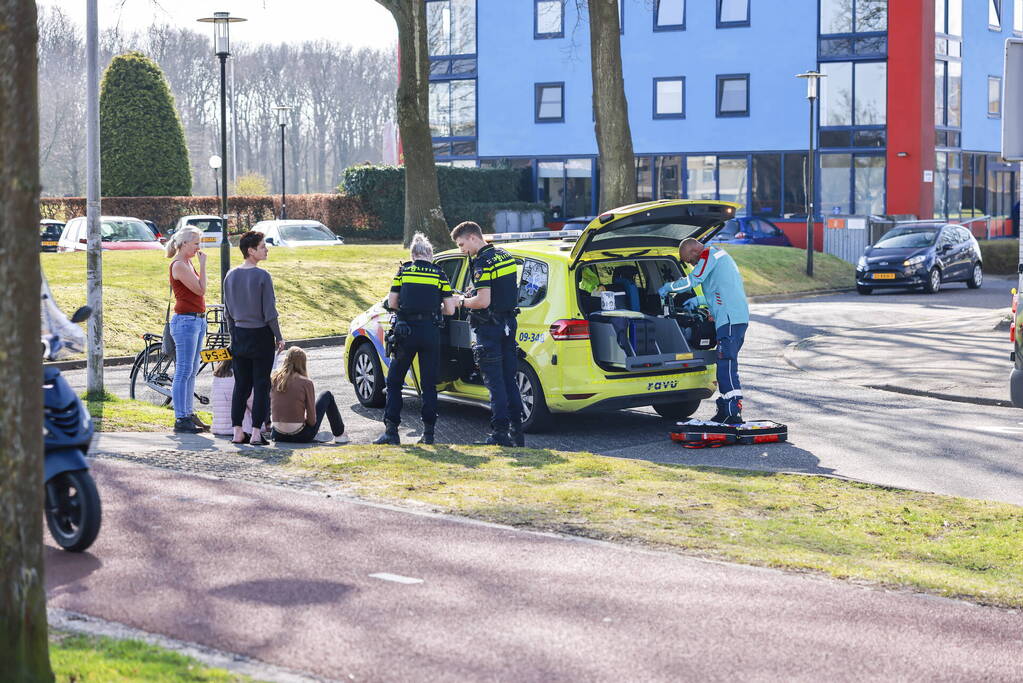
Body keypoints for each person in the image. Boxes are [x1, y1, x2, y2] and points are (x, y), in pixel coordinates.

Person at [373, 232, 457, 446]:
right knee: (429, 384)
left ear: (413, 255)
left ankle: (391, 432)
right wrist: (434, 309)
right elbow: (450, 310)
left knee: (394, 382)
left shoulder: (403, 272)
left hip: (406, 333)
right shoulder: (439, 274)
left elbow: (392, 302)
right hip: (430, 332)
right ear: (429, 254)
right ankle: (428, 434)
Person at [659, 237, 750, 425]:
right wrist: (698, 301)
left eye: (689, 261)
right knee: (725, 364)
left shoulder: (709, 254)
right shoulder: (719, 257)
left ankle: (732, 411)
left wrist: (669, 288)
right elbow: (720, 290)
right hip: (734, 318)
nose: (692, 264)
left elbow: (693, 280)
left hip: (729, 319)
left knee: (726, 364)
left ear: (694, 252)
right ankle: (726, 408)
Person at [451, 221, 524, 447]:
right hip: (509, 323)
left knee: (495, 382)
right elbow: (503, 290)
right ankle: (517, 433)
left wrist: (460, 300)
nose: (462, 250)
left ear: (473, 237)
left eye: (462, 244)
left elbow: (483, 301)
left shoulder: (482, 262)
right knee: (510, 380)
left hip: (490, 328)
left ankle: (500, 434)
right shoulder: (505, 256)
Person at [223, 231, 285, 446]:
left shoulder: (230, 276)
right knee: (261, 386)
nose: (266, 249)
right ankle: (257, 433)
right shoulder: (262, 276)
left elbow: (227, 313)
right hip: (261, 335)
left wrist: (233, 336)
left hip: (239, 334)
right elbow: (270, 312)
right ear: (251, 250)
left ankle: (237, 431)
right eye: (262, 246)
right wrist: (279, 337)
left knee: (241, 386)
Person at [166, 226, 208, 434]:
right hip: (185, 321)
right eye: (196, 243)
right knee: (183, 370)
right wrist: (203, 266)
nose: (198, 248)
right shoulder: (179, 265)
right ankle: (180, 417)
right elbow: (201, 289)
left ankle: (188, 413)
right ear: (184, 244)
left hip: (197, 320)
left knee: (192, 370)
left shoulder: (188, 263)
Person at [270, 346, 348, 444]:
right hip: (301, 436)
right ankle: (340, 435)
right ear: (303, 363)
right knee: (326, 395)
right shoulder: (306, 383)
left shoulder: (274, 379)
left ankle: (314, 434)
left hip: (277, 435)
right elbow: (312, 421)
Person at [210, 360, 253, 438]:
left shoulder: (218, 375)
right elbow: (252, 404)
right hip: (240, 429)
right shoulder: (242, 374)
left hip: (218, 427)